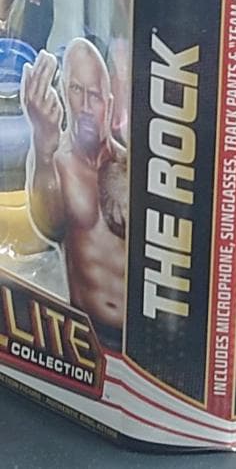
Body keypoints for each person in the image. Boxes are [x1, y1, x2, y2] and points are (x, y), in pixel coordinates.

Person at [22, 37, 126, 349]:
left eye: (94, 95)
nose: (85, 107)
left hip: (138, 339)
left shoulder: (131, 167)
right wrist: (43, 145)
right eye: (77, 90)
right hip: (85, 337)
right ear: (64, 92)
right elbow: (49, 227)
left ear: (109, 103)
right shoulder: (54, 161)